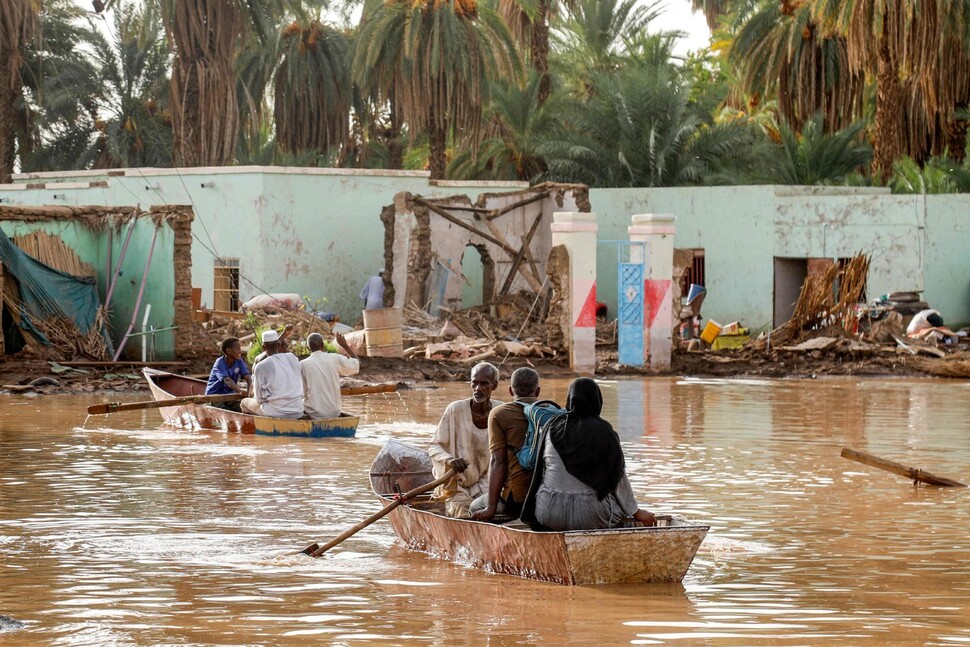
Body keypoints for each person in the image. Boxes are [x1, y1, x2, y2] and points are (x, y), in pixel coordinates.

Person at [521, 378, 656, 531]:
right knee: (624, 516)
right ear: (597, 400)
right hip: (591, 515)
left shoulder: (552, 426)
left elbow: (543, 472)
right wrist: (635, 511)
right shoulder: (604, 431)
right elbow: (618, 478)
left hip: (548, 512)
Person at [428, 362, 502, 517]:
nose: (478, 389)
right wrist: (449, 460)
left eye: (484, 384)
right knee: (463, 514)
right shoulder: (455, 409)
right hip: (457, 485)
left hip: (488, 485)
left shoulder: (501, 411)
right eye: (474, 383)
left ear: (494, 386)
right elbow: (434, 447)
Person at [470, 367, 541, 522]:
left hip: (517, 499)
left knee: (474, 507)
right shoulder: (553, 411)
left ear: (510, 391)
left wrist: (490, 507)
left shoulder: (500, 413)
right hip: (546, 495)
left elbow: (498, 462)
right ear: (538, 391)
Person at [240, 330, 304, 418]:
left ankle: (251, 428)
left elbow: (258, 399)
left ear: (263, 347)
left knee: (244, 403)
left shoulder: (261, 366)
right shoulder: (293, 358)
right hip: (298, 410)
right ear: (278, 345)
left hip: (275, 412)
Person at [301, 331, 360, 420]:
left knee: (298, 404)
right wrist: (345, 345)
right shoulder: (334, 358)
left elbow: (303, 392)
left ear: (308, 348)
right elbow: (356, 364)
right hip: (334, 412)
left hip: (314, 412)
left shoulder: (303, 364)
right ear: (323, 345)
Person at [204, 337, 251, 412]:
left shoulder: (239, 361)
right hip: (215, 395)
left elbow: (248, 378)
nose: (240, 351)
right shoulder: (219, 363)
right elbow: (227, 380)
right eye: (238, 349)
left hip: (230, 395)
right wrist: (240, 391)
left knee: (244, 408)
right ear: (228, 351)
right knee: (223, 410)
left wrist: (249, 392)